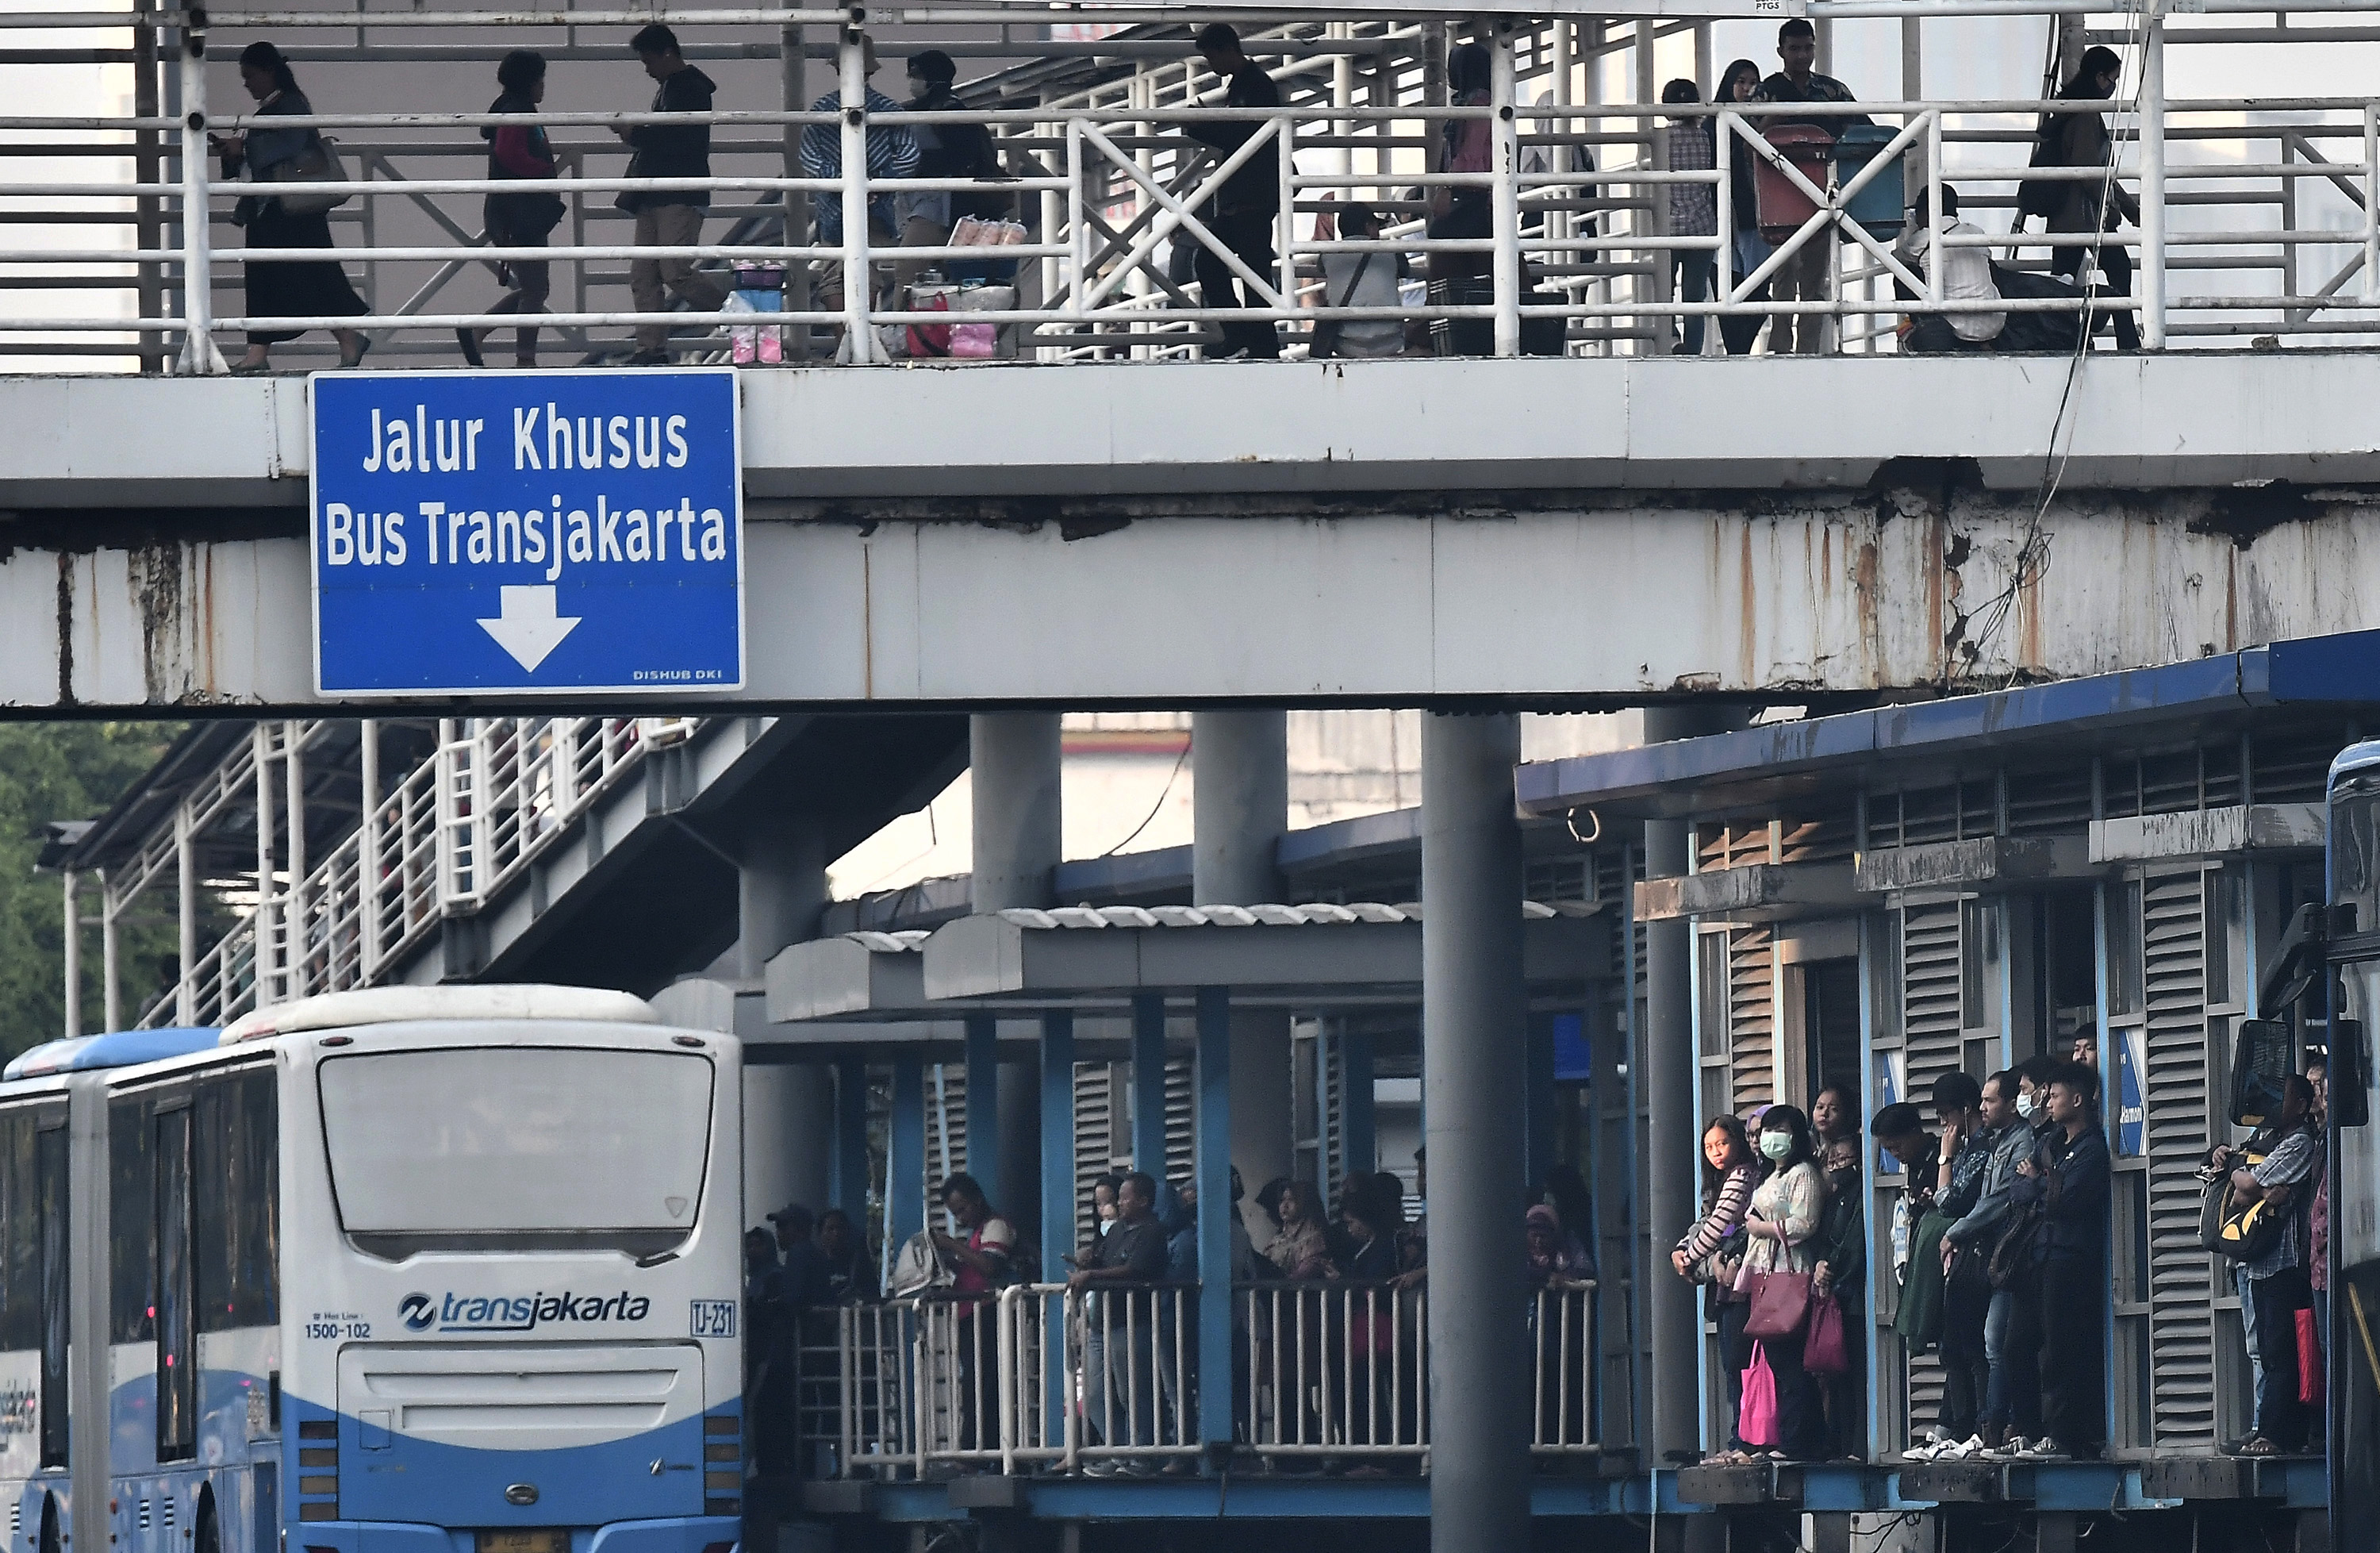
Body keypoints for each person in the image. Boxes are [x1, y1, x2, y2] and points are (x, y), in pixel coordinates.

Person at [213, 42, 369, 374]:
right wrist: (235, 150)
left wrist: (245, 145)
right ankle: (343, 337)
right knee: (302, 275)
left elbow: (290, 143)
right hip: (283, 207)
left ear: (269, 71)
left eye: (250, 76)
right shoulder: (283, 105)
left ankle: (263, 352)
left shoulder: (290, 105)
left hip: (284, 208)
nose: (246, 83)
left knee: (288, 276)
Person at [2006, 1061, 2111, 1461]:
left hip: (2070, 1258)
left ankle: (2063, 1435)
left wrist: (2039, 1183)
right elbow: (2019, 1188)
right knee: (2017, 1345)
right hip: (2036, 1255)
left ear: (2078, 1099)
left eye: (2055, 1095)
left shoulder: (2092, 1149)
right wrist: (2039, 1183)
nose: (2047, 1102)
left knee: (2060, 1349)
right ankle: (2031, 1430)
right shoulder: (2048, 1143)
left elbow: (2064, 1201)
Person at [613, 25, 727, 366]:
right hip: (668, 192)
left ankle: (738, 314)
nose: (646, 68)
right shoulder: (683, 87)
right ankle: (652, 349)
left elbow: (679, 142)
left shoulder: (684, 89)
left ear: (666, 53)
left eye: (648, 60)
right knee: (651, 273)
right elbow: (681, 139)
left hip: (672, 192)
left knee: (668, 271)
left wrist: (636, 133)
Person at [1756, 20, 1868, 355]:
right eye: (1794, 48)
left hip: (1823, 196)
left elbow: (1862, 129)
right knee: (1783, 278)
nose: (1802, 55)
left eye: (1807, 47)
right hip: (1779, 197)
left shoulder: (1832, 91)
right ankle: (1780, 349)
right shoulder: (1767, 92)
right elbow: (1743, 138)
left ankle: (1809, 350)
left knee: (1815, 280)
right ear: (1781, 51)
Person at [799, 34, 921, 339]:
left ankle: (848, 338)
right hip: (877, 206)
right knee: (867, 269)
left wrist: (839, 182)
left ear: (837, 69)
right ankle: (860, 337)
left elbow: (809, 157)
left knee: (832, 273)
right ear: (870, 72)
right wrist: (878, 182)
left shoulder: (822, 109)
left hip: (832, 207)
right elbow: (909, 154)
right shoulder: (889, 109)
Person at [2225, 1074, 2320, 1455]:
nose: (2274, 1104)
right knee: (2266, 1348)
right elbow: (2237, 1186)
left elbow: (2246, 1185)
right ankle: (2265, 1426)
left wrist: (2249, 1182)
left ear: (2300, 1105)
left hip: (2285, 1260)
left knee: (2282, 1350)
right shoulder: (2265, 1140)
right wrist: (2252, 1182)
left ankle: (2278, 1434)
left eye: (2284, 1098)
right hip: (2259, 1260)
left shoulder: (2299, 1142)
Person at [1941, 1071, 2034, 1455]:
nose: (1982, 1108)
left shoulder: (2022, 1141)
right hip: (1994, 1257)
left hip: (2014, 1256)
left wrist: (1956, 1232)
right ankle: (1993, 1423)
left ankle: (2000, 1423)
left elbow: (1998, 1201)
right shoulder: (1998, 1142)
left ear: (2012, 1104)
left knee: (1998, 1342)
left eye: (1990, 1101)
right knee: (1990, 1343)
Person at [1184, 25, 1284, 360]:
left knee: (1229, 265)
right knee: (1243, 267)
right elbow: (1242, 134)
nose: (1211, 64)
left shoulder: (1255, 86)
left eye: (1211, 56)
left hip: (1251, 196)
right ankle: (1254, 339)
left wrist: (1201, 125)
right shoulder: (1251, 84)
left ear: (1228, 49)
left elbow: (1242, 137)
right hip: (1248, 195)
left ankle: (1251, 338)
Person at [459, 50, 562, 368]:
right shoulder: (517, 110)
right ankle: (524, 359)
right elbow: (510, 154)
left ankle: (480, 329)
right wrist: (544, 169)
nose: (543, 86)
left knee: (534, 287)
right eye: (540, 79)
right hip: (520, 213)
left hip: (510, 213)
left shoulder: (508, 108)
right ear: (529, 81)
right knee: (536, 290)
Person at [1735, 1104, 1826, 1460]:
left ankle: (1796, 1442)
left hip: (1791, 1273)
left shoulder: (1803, 1174)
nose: (1772, 1138)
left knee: (1790, 1364)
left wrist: (1762, 1228)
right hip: (1766, 1273)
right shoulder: (1773, 1175)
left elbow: (1804, 1224)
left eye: (1781, 1130)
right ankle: (1796, 1438)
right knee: (1779, 1363)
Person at [2036, 44, 2140, 352]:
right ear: (2098, 77)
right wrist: (2117, 206)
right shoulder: (2086, 115)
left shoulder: (2072, 109)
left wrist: (2126, 205)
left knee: (2063, 279)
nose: (2113, 87)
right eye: (2112, 79)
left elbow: (2094, 169)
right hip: (2088, 215)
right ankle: (2127, 341)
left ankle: (2063, 338)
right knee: (2119, 268)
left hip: (2065, 215)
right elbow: (2091, 170)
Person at [1069, 1171, 1172, 1473]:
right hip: (1102, 1322)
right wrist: (1088, 1261)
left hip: (1132, 1321)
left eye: (1126, 1198)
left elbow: (1136, 1269)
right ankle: (1117, 1450)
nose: (1121, 1203)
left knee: (1134, 1392)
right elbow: (1103, 1259)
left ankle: (1142, 1455)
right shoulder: (1116, 1231)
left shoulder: (1153, 1231)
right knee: (1094, 1393)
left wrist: (1092, 1275)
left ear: (1144, 1200)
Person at [1672, 1115, 1758, 1459]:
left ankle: (1744, 1438)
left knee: (1739, 1364)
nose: (1716, 1152)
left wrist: (1688, 1258)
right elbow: (1707, 1222)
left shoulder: (1742, 1175)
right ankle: (1739, 1437)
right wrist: (1683, 1249)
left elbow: (1718, 1224)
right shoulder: (1722, 1181)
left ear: (1737, 1141)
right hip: (1725, 1283)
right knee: (1733, 1365)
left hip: (1741, 1284)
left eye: (1722, 1143)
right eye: (1709, 1147)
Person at [1919, 1071, 1994, 1456]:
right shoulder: (1971, 1147)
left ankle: (1976, 1423)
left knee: (1972, 1347)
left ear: (1965, 1110)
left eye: (1946, 1115)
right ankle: (1959, 1423)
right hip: (1961, 1258)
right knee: (1956, 1348)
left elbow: (1954, 1202)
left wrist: (1946, 1158)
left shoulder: (1980, 1149)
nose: (1944, 1125)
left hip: (1976, 1258)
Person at [896, 50, 1000, 296]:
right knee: (939, 275)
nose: (912, 81)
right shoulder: (929, 108)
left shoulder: (949, 111)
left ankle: (897, 326)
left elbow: (958, 157)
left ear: (933, 77)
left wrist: (916, 163)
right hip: (927, 202)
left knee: (906, 269)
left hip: (938, 205)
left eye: (916, 75)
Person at [932, 1173, 1015, 1455]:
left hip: (989, 1316)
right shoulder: (978, 1235)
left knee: (981, 1386)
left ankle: (976, 1451)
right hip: (972, 1316)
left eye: (962, 1209)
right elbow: (974, 1268)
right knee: (975, 1385)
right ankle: (978, 1448)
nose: (960, 1217)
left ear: (977, 1201)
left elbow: (990, 1267)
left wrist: (952, 1246)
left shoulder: (996, 1227)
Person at [1810, 1134, 1867, 1460]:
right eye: (1832, 1161)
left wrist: (1831, 1269)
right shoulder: (1832, 1198)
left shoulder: (1860, 1193)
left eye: (1844, 1160)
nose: (1837, 1167)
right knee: (1834, 1375)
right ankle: (1838, 1442)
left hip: (1855, 1294)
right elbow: (1821, 1236)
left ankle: (1858, 1445)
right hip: (1834, 1297)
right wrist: (1818, 1263)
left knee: (1858, 1374)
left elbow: (1854, 1242)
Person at [1895, 186, 2004, 353]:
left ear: (1926, 212)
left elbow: (1894, 260)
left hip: (1953, 328)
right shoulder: (1976, 231)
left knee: (1904, 275)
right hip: (1992, 325)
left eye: (1916, 214)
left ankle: (1917, 328)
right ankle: (1981, 343)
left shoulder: (1922, 238)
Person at [1713, 60, 1773, 356]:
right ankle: (1737, 353)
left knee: (1759, 292)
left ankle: (1738, 352)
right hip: (1722, 218)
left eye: (1753, 82)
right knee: (1727, 287)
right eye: (1741, 82)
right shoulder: (1713, 124)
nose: (1748, 89)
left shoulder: (1767, 119)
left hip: (1756, 218)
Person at [1427, 41, 1495, 290]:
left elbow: (1472, 154)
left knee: (1446, 264)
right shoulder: (1478, 101)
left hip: (1468, 198)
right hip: (1478, 200)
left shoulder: (1477, 103)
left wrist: (1446, 187)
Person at [1662, 79, 1718, 355]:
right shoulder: (1705, 137)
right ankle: (1693, 348)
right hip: (1702, 225)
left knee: (1663, 289)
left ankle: (1670, 339)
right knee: (1695, 295)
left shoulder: (1659, 139)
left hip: (1668, 227)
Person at [1310, 203, 1406, 359]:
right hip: (1390, 341)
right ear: (1369, 226)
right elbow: (1405, 270)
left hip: (1346, 345)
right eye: (1376, 226)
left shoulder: (1327, 254)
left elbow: (1321, 268)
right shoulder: (1393, 252)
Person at [816, 1206, 878, 1304]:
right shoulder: (814, 1263)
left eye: (840, 1228)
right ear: (821, 1233)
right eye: (830, 1229)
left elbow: (871, 1293)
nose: (836, 1233)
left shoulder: (859, 1264)